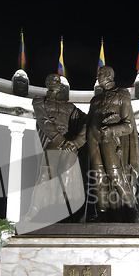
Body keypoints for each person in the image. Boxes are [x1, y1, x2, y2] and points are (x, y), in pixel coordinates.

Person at [20, 73, 86, 228]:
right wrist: (61, 141)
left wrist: (77, 142)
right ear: (47, 83)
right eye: (52, 80)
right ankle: (34, 210)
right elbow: (44, 122)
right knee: (45, 175)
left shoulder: (70, 107)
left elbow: (87, 121)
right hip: (54, 143)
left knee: (67, 178)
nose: (56, 82)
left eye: (58, 80)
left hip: (69, 145)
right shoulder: (39, 101)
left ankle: (67, 212)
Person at [86, 65, 139, 222]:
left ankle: (131, 210)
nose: (98, 76)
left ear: (109, 75)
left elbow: (129, 125)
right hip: (93, 137)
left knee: (115, 176)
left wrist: (110, 130)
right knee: (98, 178)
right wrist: (74, 142)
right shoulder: (95, 100)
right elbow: (87, 123)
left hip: (110, 138)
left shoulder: (122, 94)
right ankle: (102, 213)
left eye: (101, 74)